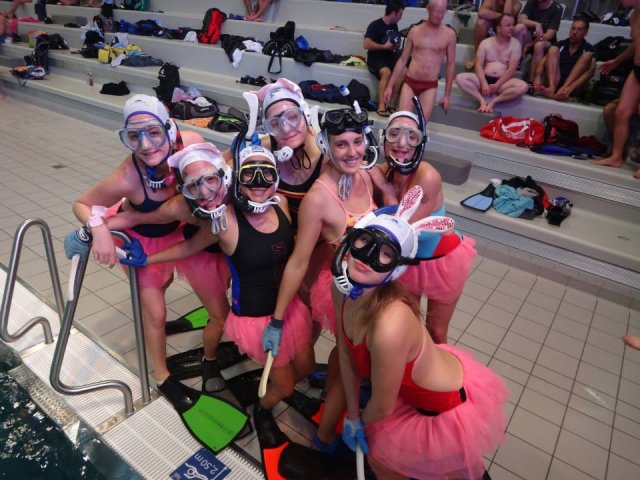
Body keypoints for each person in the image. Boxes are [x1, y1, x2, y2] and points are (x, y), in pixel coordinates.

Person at [125, 143, 315, 428]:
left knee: (307, 366)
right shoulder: (224, 221)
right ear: (237, 179)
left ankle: (274, 390)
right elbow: (189, 246)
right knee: (285, 386)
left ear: (276, 177)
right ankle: (263, 409)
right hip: (257, 317)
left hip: (288, 307)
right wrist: (147, 258)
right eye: (250, 174)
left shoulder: (281, 204)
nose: (259, 183)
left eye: (266, 174)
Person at [332, 187, 508, 479]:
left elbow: (382, 407)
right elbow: (345, 354)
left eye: (385, 253)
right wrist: (352, 415)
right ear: (351, 240)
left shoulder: (390, 326)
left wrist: (361, 420)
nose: (367, 257)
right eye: (365, 241)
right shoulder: (340, 289)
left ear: (396, 269)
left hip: (442, 407)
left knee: (388, 465)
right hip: (412, 389)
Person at [66, 94, 205, 394]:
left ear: (169, 129)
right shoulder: (128, 176)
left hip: (177, 232)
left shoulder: (192, 143)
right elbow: (81, 204)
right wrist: (99, 229)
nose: (145, 145)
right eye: (134, 136)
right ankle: (162, 376)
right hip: (140, 243)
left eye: (153, 132)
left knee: (166, 283)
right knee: (156, 314)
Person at [268, 107, 377, 453]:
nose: (352, 152)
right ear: (327, 146)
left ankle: (331, 395)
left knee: (348, 360)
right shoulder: (318, 199)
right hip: (343, 292)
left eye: (357, 141)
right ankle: (327, 435)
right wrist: (277, 319)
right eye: (341, 144)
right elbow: (299, 261)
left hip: (372, 288)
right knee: (353, 363)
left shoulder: (366, 175)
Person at [106, 142, 233, 394]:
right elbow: (139, 218)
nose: (206, 192)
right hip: (201, 255)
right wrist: (92, 228)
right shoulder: (180, 206)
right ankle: (207, 362)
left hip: (229, 253)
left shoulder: (245, 189)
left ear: (224, 176)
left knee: (226, 295)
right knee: (220, 315)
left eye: (211, 180)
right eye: (194, 186)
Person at [368, 107, 476, 344]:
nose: (402, 143)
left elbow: (402, 232)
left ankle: (439, 368)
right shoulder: (382, 171)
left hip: (441, 259)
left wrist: (386, 191)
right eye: (394, 134)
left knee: (436, 331)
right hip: (406, 261)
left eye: (412, 136)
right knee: (409, 326)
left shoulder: (427, 176)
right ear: (384, 138)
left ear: (421, 143)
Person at [383, 0, 456, 124]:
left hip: (429, 85)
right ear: (428, 9)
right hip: (410, 82)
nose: (439, 15)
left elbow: (451, 65)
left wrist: (447, 95)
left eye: (442, 12)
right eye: (436, 11)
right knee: (403, 123)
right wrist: (390, 86)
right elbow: (403, 60)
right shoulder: (415, 31)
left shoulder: (449, 34)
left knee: (421, 126)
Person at [592, 0, 640, 179]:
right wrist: (616, 61)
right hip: (637, 69)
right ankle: (616, 157)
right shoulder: (634, 15)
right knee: (620, 112)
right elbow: (636, 44)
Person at [456, 14, 528, 113]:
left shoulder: (515, 44)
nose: (512, 28)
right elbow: (478, 65)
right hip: (484, 79)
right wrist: (483, 83)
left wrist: (497, 85)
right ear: (499, 28)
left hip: (503, 82)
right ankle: (481, 99)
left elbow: (512, 69)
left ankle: (494, 101)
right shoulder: (485, 43)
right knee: (460, 78)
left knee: (523, 87)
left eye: (513, 25)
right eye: (508, 25)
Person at [532, 17, 595, 100]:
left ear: (585, 33)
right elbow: (543, 62)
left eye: (579, 30)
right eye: (573, 28)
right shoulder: (561, 44)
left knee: (587, 55)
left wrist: (569, 88)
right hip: (555, 82)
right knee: (553, 49)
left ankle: (562, 90)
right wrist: (537, 78)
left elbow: (590, 72)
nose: (574, 32)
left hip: (572, 87)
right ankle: (552, 88)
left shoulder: (589, 48)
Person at [364, 0, 404, 117]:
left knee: (404, 71)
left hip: (390, 58)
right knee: (386, 72)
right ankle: (381, 105)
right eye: (400, 15)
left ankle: (391, 104)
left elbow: (395, 42)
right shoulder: (375, 25)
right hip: (375, 59)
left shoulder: (394, 26)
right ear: (394, 13)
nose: (401, 18)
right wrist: (384, 47)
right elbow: (366, 44)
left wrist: (396, 45)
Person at [513, 0, 563, 83]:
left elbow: (549, 35)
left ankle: (532, 82)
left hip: (546, 41)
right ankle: (517, 62)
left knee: (539, 45)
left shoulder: (557, 8)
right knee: (519, 28)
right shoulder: (531, 2)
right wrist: (536, 24)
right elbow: (520, 19)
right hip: (530, 38)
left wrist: (532, 43)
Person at [466, 0, 522, 70]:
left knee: (513, 28)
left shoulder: (517, 5)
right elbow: (481, 13)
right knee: (481, 22)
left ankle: (506, 62)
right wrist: (500, 16)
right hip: (492, 30)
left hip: (506, 36)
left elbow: (506, 18)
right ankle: (478, 57)